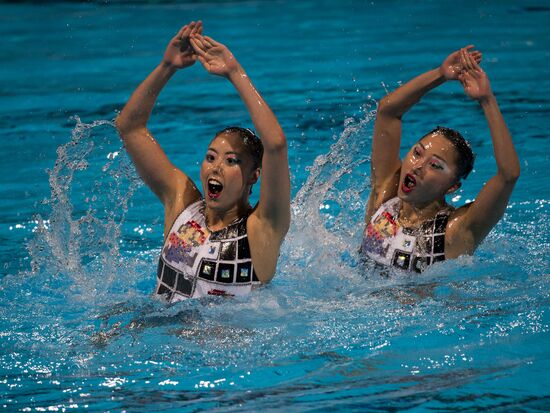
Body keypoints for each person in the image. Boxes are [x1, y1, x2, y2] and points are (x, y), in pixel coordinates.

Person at [116, 21, 290, 301]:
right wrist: (166, 67)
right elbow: (130, 127)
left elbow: (276, 145)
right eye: (210, 157)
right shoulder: (181, 203)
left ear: (254, 176)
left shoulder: (262, 230)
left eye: (231, 161)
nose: (216, 167)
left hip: (222, 343)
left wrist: (234, 73)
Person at [361, 46, 520, 273]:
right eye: (417, 153)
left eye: (435, 165)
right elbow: (388, 112)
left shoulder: (454, 231)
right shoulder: (385, 192)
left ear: (452, 187)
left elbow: (508, 175)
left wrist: (487, 100)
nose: (417, 167)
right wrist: (441, 74)